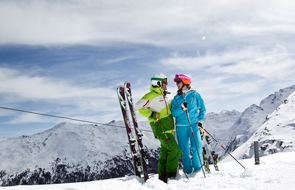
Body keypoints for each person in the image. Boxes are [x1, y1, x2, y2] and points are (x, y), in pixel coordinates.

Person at [135, 74, 182, 183]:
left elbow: (168, 111)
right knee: (175, 151)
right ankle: (171, 177)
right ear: (159, 83)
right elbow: (138, 107)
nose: (167, 84)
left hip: (168, 129)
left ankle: (162, 178)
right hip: (161, 129)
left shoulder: (164, 96)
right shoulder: (151, 95)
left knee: (165, 154)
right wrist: (151, 114)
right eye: (165, 82)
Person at [171, 74, 206, 174]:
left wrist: (200, 120)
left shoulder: (195, 95)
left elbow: (202, 109)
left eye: (178, 82)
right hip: (181, 127)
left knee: (197, 146)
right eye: (176, 82)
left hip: (193, 125)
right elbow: (174, 113)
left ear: (185, 82)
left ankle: (198, 169)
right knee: (184, 150)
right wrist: (181, 108)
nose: (177, 84)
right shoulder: (176, 98)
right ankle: (187, 171)